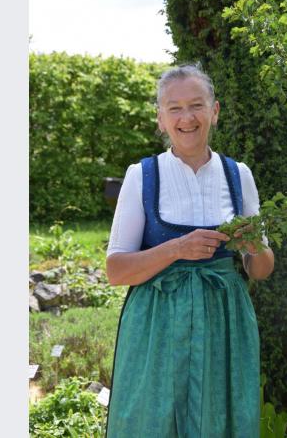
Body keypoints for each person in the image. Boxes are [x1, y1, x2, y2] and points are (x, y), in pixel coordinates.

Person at [104, 64, 275, 437]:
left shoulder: (238, 175)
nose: (187, 118)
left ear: (214, 111)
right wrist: (178, 248)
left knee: (220, 419)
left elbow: (261, 269)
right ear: (161, 118)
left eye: (196, 105)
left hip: (223, 323)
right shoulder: (142, 175)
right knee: (153, 422)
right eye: (175, 108)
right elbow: (116, 271)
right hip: (157, 326)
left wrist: (253, 247)